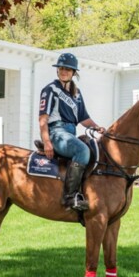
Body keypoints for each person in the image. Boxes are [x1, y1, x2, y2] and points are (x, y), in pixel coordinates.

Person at [38, 53, 105, 211]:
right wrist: (47, 141)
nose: (64, 71)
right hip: (56, 132)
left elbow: (84, 118)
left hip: (70, 133)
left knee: (95, 149)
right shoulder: (50, 90)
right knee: (82, 150)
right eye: (61, 68)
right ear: (57, 70)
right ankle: (69, 197)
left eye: (68, 69)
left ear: (74, 73)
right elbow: (43, 119)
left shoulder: (77, 93)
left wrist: (96, 127)